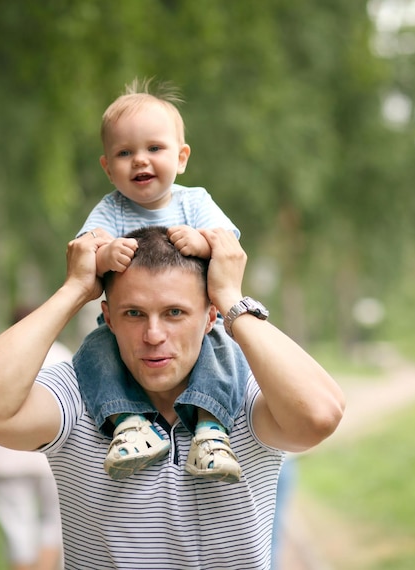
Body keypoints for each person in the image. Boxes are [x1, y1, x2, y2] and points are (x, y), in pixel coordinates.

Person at [0, 225, 345, 570]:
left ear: (210, 318)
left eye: (174, 312)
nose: (154, 335)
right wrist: (72, 291)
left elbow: (320, 415)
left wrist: (230, 297)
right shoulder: (75, 393)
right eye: (134, 314)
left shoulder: (246, 391)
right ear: (108, 317)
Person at [75, 78, 248, 482]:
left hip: (195, 319)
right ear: (107, 167)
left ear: (181, 157)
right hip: (126, 319)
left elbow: (228, 245)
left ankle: (210, 427)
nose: (140, 160)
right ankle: (129, 422)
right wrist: (104, 254)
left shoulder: (194, 201)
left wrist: (202, 245)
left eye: (154, 148)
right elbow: (86, 249)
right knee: (95, 352)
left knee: (224, 351)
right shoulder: (111, 209)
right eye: (124, 152)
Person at [0, 307, 72, 570]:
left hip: (5, 456)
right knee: (53, 523)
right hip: (52, 457)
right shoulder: (64, 355)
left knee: (16, 527)